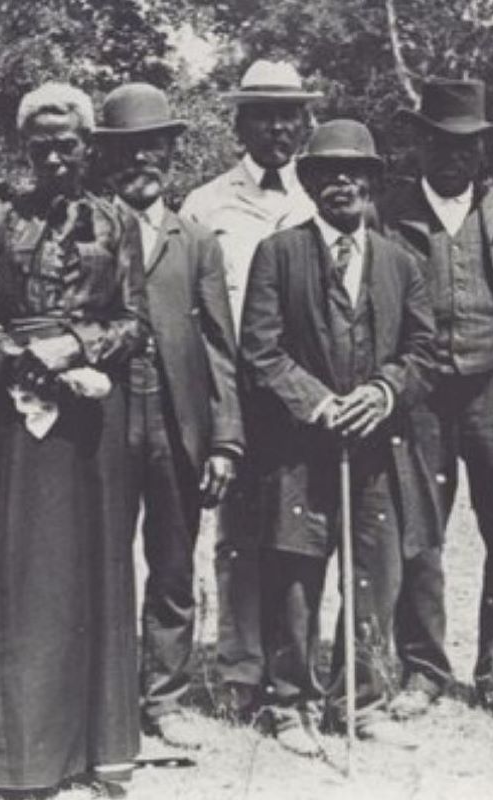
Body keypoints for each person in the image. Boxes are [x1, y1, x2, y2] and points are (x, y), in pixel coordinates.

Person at [0, 83, 148, 797]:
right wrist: (19, 359)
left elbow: (134, 322)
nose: (54, 158)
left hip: (87, 423)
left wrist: (76, 346)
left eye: (66, 144)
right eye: (40, 146)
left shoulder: (117, 221)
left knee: (84, 571)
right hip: (8, 419)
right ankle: (3, 752)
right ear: (25, 148)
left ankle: (87, 749)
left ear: (87, 146)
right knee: (12, 572)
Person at [239, 120, 437, 756]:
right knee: (296, 576)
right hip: (299, 449)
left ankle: (361, 701)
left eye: (355, 172)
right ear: (310, 182)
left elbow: (425, 351)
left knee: (374, 575)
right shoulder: (279, 253)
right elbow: (260, 351)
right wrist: (319, 404)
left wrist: (382, 392)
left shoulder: (401, 263)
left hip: (377, 450)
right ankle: (288, 703)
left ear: (373, 182)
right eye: (328, 173)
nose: (342, 183)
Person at [381, 78, 493, 728]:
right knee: (417, 538)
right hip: (420, 399)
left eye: (468, 145)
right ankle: (422, 669)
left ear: (483, 149)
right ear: (420, 145)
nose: (455, 156)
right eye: (441, 143)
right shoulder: (388, 214)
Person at [92, 83, 244, 750]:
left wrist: (225, 440)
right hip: (102, 422)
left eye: (152, 147)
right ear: (108, 158)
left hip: (179, 423)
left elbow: (219, 345)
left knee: (174, 564)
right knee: (101, 559)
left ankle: (165, 696)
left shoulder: (198, 241)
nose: (140, 161)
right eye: (127, 149)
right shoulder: (86, 229)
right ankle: (102, 697)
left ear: (170, 154)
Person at [178, 59, 320, 720]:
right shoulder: (205, 205)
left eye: (289, 115)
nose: (278, 128)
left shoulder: (319, 198)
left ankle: (293, 668)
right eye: (263, 115)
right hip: (232, 391)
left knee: (296, 534)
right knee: (236, 533)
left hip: (300, 395)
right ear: (239, 123)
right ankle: (239, 672)